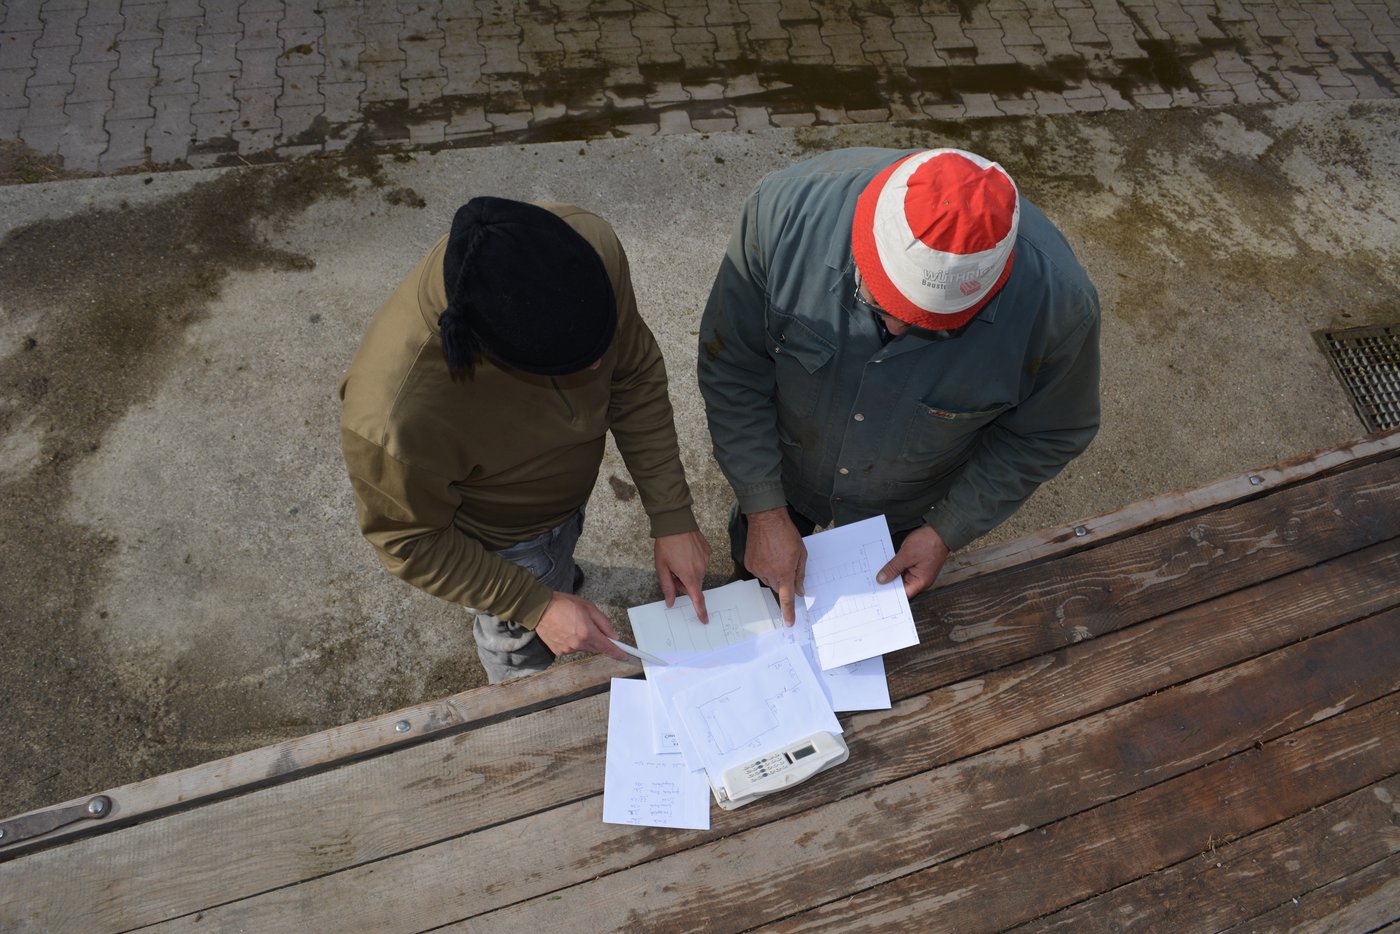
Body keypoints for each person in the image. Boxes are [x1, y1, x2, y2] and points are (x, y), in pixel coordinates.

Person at [697, 147, 1100, 623]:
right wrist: (763, 509)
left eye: (929, 323)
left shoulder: (1061, 310)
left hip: (907, 518)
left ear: (991, 286)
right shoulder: (782, 214)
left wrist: (946, 528)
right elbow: (732, 368)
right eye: (882, 300)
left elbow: (1048, 434)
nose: (895, 329)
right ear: (867, 237)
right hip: (785, 477)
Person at [341, 197, 710, 683]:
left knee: (558, 560)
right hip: (502, 541)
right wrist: (532, 604)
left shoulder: (587, 245)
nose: (600, 366)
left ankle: (559, 571)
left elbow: (634, 373)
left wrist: (671, 515)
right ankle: (518, 678)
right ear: (488, 350)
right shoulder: (393, 418)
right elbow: (409, 541)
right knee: (520, 655)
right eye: (569, 362)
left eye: (600, 342)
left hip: (562, 498)